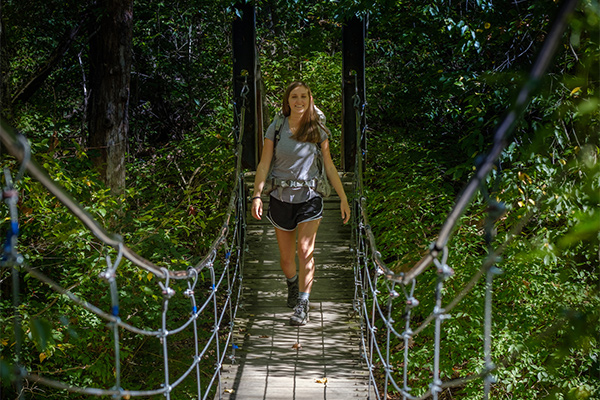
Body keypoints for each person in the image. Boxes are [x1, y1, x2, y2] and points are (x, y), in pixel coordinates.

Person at [251, 81, 351, 326]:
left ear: (310, 99)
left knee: (305, 251)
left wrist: (343, 197)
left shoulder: (317, 128)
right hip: (281, 198)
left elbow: (328, 165)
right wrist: (256, 193)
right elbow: (264, 163)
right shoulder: (276, 128)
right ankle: (293, 284)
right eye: (294, 96)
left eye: (303, 96)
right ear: (287, 101)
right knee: (287, 260)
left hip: (310, 196)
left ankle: (303, 304)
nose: (299, 101)